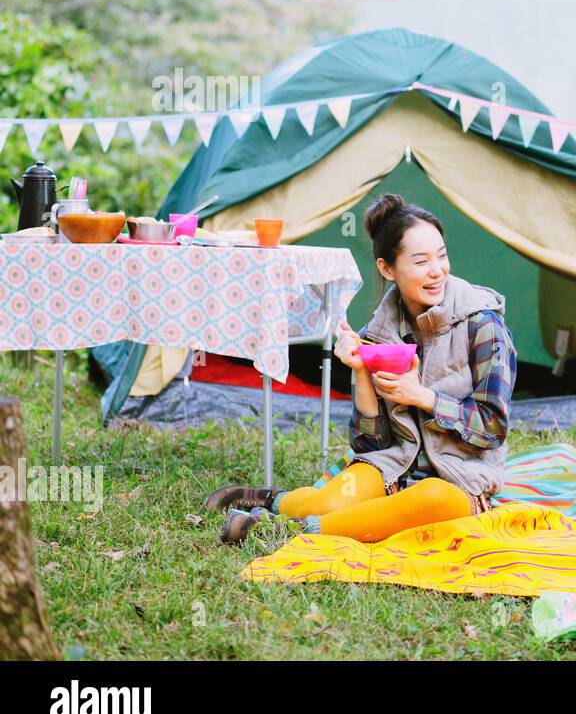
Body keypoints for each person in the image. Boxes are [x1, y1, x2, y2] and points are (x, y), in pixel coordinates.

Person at [204, 193, 517, 544]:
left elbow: (493, 428)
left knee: (434, 498)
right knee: (331, 500)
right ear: (387, 268)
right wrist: (360, 371)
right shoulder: (378, 334)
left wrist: (423, 397)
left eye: (441, 256)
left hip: (461, 478)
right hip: (394, 467)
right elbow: (371, 445)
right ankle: (274, 501)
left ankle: (287, 532)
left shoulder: (483, 325)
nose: (437, 270)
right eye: (420, 261)